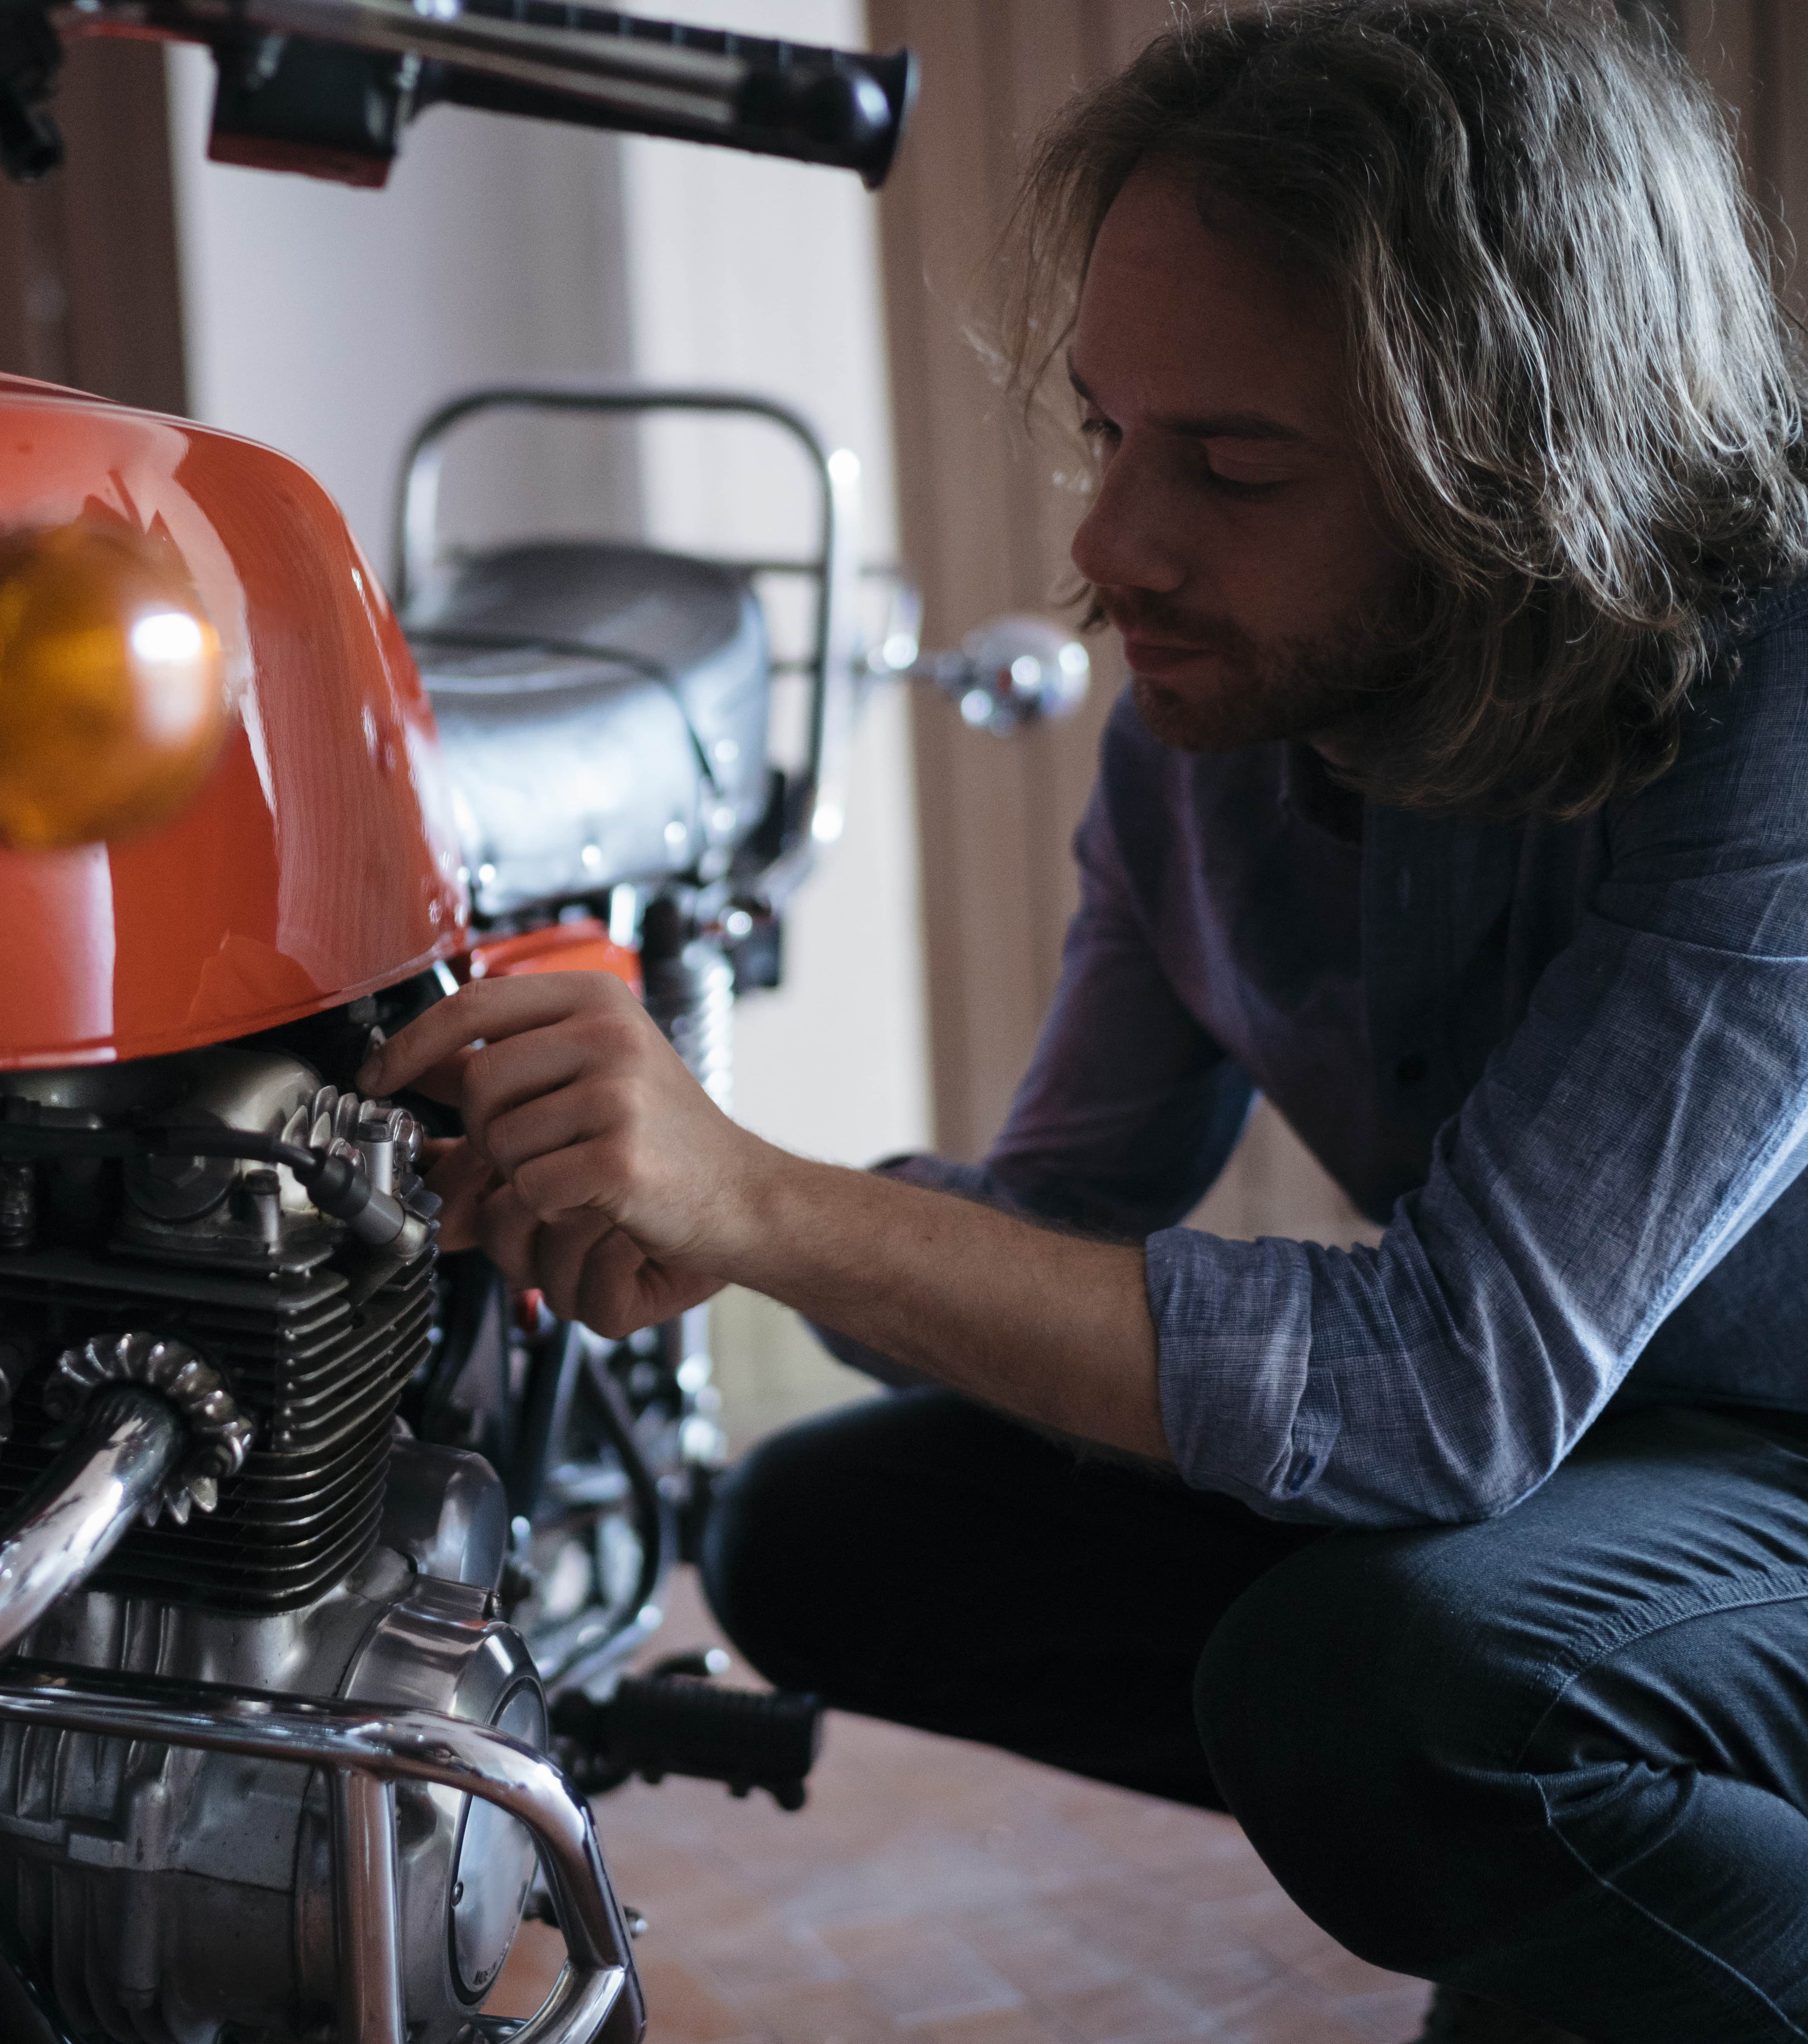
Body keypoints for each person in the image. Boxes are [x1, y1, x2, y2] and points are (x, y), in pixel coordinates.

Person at [358, 4, 1808, 2039]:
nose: (1111, 549)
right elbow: (1056, 1215)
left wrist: (767, 1199)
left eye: (1231, 465)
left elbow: (1445, 1389)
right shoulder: (1196, 749)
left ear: (1523, 474)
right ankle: (1600, 1881)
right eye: (1112, 428)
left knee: (1382, 1682)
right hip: (1580, 1475)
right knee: (820, 1534)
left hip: (1776, 1463)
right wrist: (690, 1204)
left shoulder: (1775, 714)